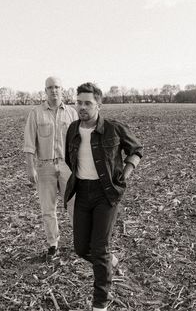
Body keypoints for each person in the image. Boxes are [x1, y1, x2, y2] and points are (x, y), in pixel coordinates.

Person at [64, 82, 143, 311]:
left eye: (87, 103)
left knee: (99, 248)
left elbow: (136, 150)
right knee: (80, 248)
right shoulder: (72, 129)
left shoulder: (113, 128)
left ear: (99, 104)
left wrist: (124, 175)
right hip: (82, 193)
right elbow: (71, 159)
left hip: (106, 194)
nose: (82, 107)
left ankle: (99, 303)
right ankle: (110, 261)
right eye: (79, 102)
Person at [23, 76, 78, 257]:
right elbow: (29, 142)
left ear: (62, 89)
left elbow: (79, 142)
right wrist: (30, 167)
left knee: (74, 206)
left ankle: (80, 242)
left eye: (57, 87)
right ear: (45, 91)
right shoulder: (36, 113)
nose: (54, 90)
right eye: (50, 87)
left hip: (67, 166)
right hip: (45, 166)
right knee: (48, 209)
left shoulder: (71, 113)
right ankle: (53, 244)